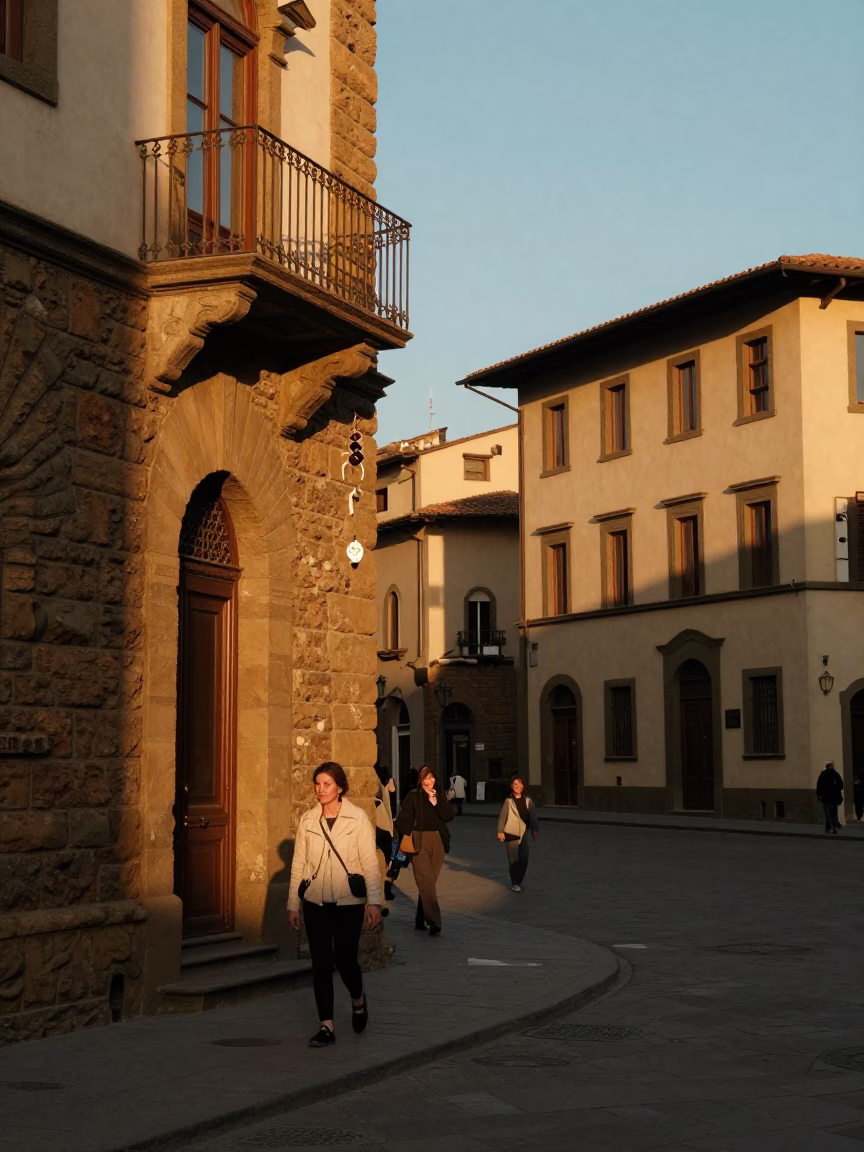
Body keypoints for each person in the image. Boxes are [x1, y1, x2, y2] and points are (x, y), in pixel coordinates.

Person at [288, 762, 382, 1047]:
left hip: (348, 902)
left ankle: (358, 998)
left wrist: (374, 902)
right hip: (315, 900)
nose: (321, 789)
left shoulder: (358, 819)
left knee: (345, 959)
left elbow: (369, 863)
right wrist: (293, 904)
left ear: (339, 787)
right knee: (321, 964)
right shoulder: (308, 820)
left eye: (327, 783)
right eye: (317, 783)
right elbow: (299, 865)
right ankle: (326, 1025)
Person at [395, 765, 453, 935]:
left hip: (438, 841)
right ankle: (435, 921)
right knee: (426, 881)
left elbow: (449, 816)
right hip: (419, 842)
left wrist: (437, 803)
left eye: (431, 778)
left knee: (428, 883)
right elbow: (402, 821)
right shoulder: (413, 797)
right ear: (420, 781)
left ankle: (421, 917)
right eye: (425, 778)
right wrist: (406, 838)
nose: (429, 782)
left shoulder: (439, 796)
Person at [497, 775, 539, 891]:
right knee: (513, 859)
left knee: (524, 858)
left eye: (520, 784)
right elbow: (502, 817)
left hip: (524, 832)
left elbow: (533, 816)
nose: (518, 786)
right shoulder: (508, 801)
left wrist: (535, 829)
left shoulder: (528, 801)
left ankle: (519, 880)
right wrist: (500, 831)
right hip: (511, 833)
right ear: (512, 786)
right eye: (515, 784)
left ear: (523, 786)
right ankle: (515, 882)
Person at [816, 760, 844, 835]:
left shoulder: (823, 774)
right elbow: (841, 785)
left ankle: (828, 825)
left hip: (826, 796)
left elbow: (819, 785)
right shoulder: (836, 774)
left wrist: (819, 795)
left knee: (827, 811)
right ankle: (835, 826)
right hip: (835, 796)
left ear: (826, 767)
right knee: (834, 811)